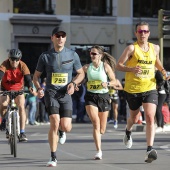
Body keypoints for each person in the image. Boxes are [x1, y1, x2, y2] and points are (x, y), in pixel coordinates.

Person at [116, 21, 170, 163]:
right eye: (140, 32)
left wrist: (163, 71)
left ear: (149, 33)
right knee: (134, 119)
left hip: (150, 87)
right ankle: (128, 131)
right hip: (133, 89)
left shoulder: (155, 48)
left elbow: (156, 61)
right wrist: (131, 69)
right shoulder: (131, 49)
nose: (143, 34)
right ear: (136, 33)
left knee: (150, 116)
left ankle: (149, 149)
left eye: (145, 31)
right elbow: (118, 65)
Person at [33, 27, 85, 167]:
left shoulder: (72, 55)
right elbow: (36, 77)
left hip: (66, 94)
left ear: (65, 38)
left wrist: (73, 83)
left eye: (63, 36)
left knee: (66, 127)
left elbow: (81, 73)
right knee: (54, 121)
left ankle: (62, 131)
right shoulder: (45, 56)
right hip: (51, 93)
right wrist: (39, 88)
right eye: (57, 36)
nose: (60, 38)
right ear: (52, 38)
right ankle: (53, 156)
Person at [83, 45, 116, 160]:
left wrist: (108, 84)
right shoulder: (87, 67)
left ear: (100, 56)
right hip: (90, 96)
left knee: (102, 129)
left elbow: (114, 80)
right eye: (91, 53)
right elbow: (79, 77)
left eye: (94, 54)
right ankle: (99, 151)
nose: (92, 55)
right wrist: (75, 85)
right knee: (96, 123)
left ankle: (99, 136)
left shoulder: (105, 66)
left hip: (103, 97)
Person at [0, 49, 35, 141]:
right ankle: (4, 120)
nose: (14, 62)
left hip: (19, 89)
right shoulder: (4, 64)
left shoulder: (23, 65)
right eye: (12, 59)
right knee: (3, 104)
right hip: (5, 89)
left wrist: (31, 87)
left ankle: (22, 132)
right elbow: (0, 75)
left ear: (19, 59)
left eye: (16, 59)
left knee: (21, 106)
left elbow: (28, 78)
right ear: (9, 59)